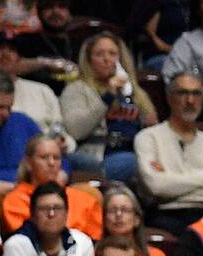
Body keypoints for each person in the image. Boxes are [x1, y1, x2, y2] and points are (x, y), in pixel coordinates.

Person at [134, 73, 203, 236]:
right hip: (163, 215)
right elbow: (155, 186)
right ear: (169, 98)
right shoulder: (148, 138)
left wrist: (169, 180)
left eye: (196, 94)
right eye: (183, 93)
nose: (190, 101)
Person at [61, 32, 157, 183]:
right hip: (98, 156)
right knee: (134, 162)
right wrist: (108, 96)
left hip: (134, 151)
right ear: (89, 60)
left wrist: (150, 125)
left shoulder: (136, 93)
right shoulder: (77, 89)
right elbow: (76, 130)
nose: (107, 59)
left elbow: (152, 131)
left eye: (112, 54)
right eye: (99, 54)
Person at [0, 35, 76, 147]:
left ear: (19, 59)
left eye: (11, 50)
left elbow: (59, 129)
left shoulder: (42, 90)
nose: (5, 55)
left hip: (49, 153)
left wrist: (63, 142)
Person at [2, 135, 103, 240]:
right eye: (44, 157)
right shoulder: (15, 201)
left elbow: (95, 241)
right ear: (29, 163)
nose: (51, 163)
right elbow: (25, 239)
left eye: (56, 158)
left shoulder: (85, 199)